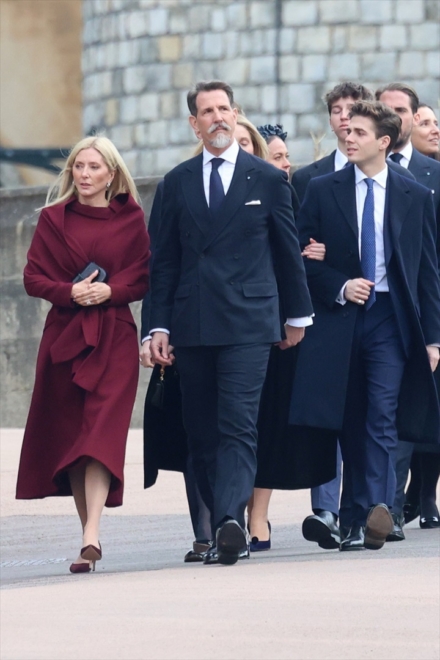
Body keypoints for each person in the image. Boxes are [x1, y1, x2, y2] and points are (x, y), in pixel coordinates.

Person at [149, 80, 313, 566]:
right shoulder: (175, 183)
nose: (217, 117)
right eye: (207, 111)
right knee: (201, 431)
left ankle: (227, 523)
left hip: (249, 322)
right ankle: (217, 523)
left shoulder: (266, 178)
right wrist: (156, 327)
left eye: (224, 109)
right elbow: (163, 264)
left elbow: (287, 253)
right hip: (192, 323)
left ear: (235, 113)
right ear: (193, 123)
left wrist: (297, 315)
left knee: (239, 424)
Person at [291, 100, 440, 551]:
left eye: (358, 132)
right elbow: (301, 260)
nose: (347, 137)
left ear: (384, 141)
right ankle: (353, 517)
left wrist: (433, 338)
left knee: (381, 413)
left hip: (392, 319)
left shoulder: (415, 193)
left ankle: (376, 509)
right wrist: (340, 285)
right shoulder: (321, 188)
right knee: (348, 416)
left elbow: (427, 271)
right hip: (339, 318)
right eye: (346, 130)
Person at [16, 136, 150, 573]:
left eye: (95, 167)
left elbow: (144, 277)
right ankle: (88, 535)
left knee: (100, 436)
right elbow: (33, 278)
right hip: (65, 339)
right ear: (71, 171)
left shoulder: (130, 219)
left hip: (114, 337)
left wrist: (111, 291)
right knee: (76, 438)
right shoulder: (53, 220)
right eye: (79, 166)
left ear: (111, 174)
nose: (86, 174)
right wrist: (70, 292)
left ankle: (91, 532)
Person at [376, 83, 440, 537]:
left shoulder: (433, 176)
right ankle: (391, 507)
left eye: (401, 111)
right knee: (390, 412)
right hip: (387, 314)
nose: (394, 117)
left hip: (430, 309)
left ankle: (421, 496)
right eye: (386, 110)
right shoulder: (363, 175)